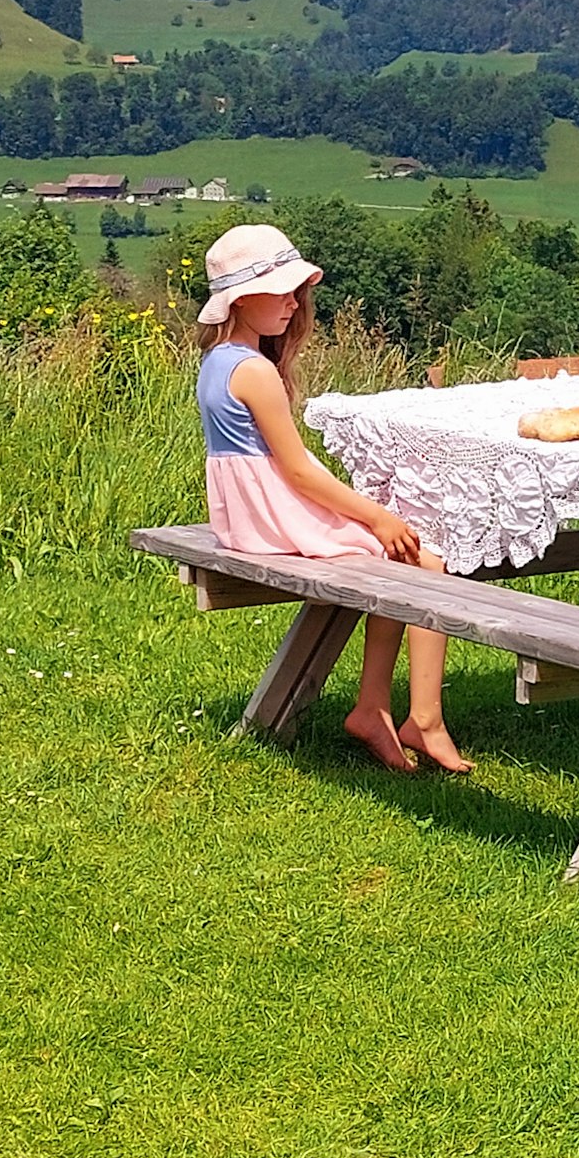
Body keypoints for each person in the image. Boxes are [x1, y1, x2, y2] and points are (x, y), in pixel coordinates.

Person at [194, 223, 472, 774]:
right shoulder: (254, 372)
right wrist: (377, 514)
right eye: (281, 292)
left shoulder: (219, 361)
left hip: (245, 514)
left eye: (297, 291)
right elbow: (297, 473)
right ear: (241, 299)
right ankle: (424, 719)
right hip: (272, 515)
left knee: (394, 559)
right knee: (426, 562)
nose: (294, 303)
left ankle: (375, 708)